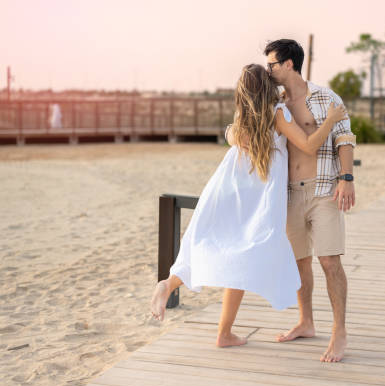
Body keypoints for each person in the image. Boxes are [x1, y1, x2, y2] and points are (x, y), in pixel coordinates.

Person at [150, 64, 346, 348]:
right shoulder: (277, 114)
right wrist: (331, 120)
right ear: (267, 87)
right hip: (258, 196)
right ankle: (224, 328)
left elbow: (235, 137)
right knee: (246, 252)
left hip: (227, 189)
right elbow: (308, 145)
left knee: (231, 252)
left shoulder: (241, 119)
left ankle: (182, 295)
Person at [265, 39, 356, 363]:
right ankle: (306, 322)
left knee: (329, 261)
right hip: (289, 193)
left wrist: (346, 178)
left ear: (289, 64)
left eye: (272, 64)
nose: (269, 69)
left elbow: (344, 137)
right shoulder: (274, 102)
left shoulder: (325, 97)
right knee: (299, 261)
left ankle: (339, 331)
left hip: (323, 191)